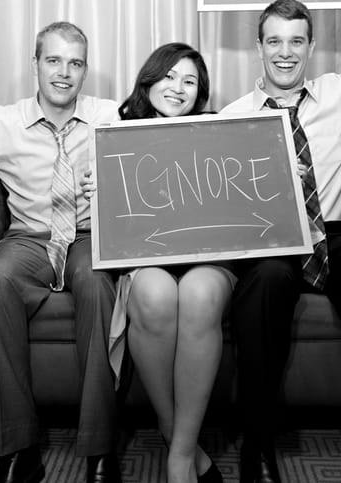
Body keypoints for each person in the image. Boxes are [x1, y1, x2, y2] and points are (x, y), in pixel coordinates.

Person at [0, 22, 123, 483]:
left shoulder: (112, 115)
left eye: (75, 63)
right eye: (53, 60)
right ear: (35, 64)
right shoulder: (0, 123)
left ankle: (99, 448)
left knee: (97, 283)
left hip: (89, 235)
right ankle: (18, 448)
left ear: (85, 71)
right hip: (29, 237)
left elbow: (170, 139)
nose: (63, 73)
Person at [221, 0, 341, 483]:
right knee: (263, 282)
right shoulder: (231, 116)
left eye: (295, 41)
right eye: (274, 41)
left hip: (340, 233)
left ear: (310, 47)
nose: (284, 52)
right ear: (258, 47)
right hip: (271, 241)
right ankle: (258, 442)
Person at [83, 42, 237, 483]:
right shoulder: (116, 131)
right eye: (169, 76)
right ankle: (180, 441)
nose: (178, 87)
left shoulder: (217, 130)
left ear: (200, 93)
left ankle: (177, 458)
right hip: (146, 256)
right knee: (153, 293)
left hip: (209, 257)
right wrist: (101, 191)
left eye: (190, 81)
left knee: (199, 292)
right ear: (148, 80)